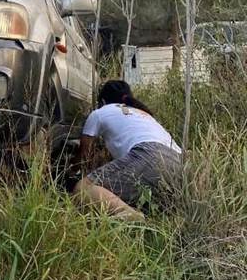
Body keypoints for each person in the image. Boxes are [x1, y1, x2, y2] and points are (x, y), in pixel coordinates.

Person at [74, 79, 182, 222]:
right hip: (180, 162)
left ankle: (128, 214)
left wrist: (73, 171)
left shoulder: (100, 113)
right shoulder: (144, 114)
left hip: (148, 155)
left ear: (103, 101)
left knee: (83, 188)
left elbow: (84, 157)